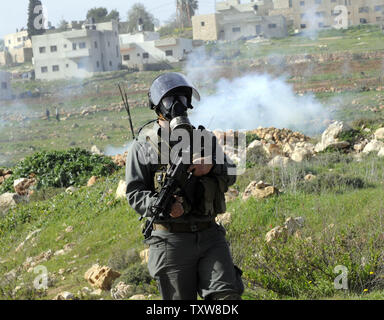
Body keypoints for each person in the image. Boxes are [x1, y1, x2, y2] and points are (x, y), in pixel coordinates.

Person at [125, 72, 243, 300]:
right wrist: (166, 206)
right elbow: (134, 193)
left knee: (227, 298)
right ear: (157, 106)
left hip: (209, 235)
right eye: (171, 100)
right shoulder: (143, 146)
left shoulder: (204, 139)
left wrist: (211, 167)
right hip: (171, 241)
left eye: (183, 99)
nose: (179, 106)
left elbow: (232, 173)